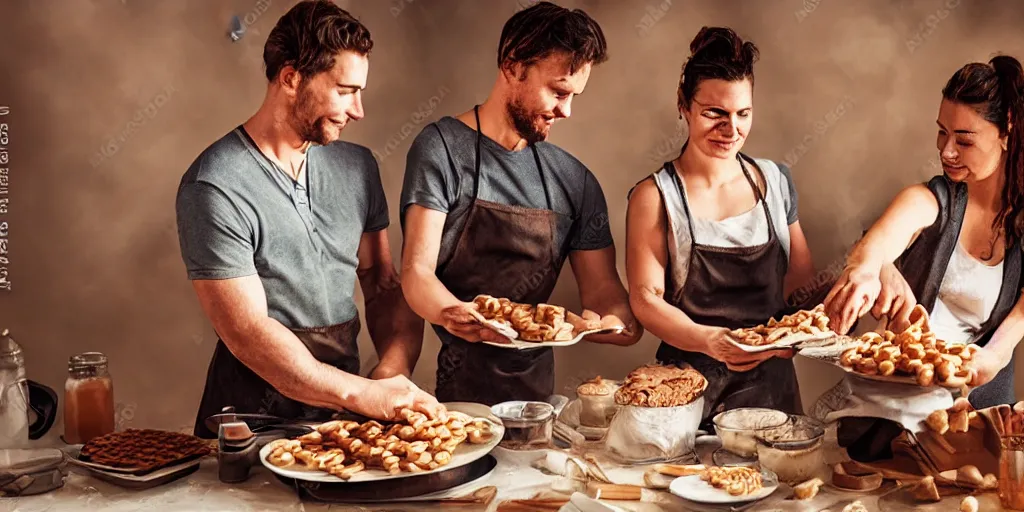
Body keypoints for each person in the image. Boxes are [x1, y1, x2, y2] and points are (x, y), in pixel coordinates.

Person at [176, 1, 443, 439]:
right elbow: (248, 333)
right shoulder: (214, 184)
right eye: (344, 90)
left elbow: (380, 280)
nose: (358, 110)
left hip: (343, 415)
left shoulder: (359, 167)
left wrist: (389, 373)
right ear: (290, 77)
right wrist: (360, 396)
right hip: (250, 426)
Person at [400, 2, 642, 405]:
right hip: (459, 400)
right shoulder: (440, 148)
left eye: (574, 96)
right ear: (513, 66)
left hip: (538, 402)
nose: (566, 111)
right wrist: (457, 314)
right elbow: (415, 274)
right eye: (558, 91)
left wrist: (620, 324)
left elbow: (606, 296)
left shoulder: (575, 180)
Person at [821, 54, 1024, 460]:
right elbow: (877, 241)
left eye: (964, 139)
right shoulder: (931, 199)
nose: (947, 151)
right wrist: (870, 268)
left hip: (973, 422)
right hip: (891, 424)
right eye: (942, 133)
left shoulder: (1019, 218)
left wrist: (995, 354)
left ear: (1006, 132)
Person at [625, 27, 815, 425]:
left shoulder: (775, 181)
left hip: (771, 392)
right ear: (684, 105)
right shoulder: (655, 196)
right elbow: (645, 300)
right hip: (684, 390)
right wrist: (712, 341)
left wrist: (807, 329)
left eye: (743, 114)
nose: (731, 130)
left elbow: (800, 287)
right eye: (715, 114)